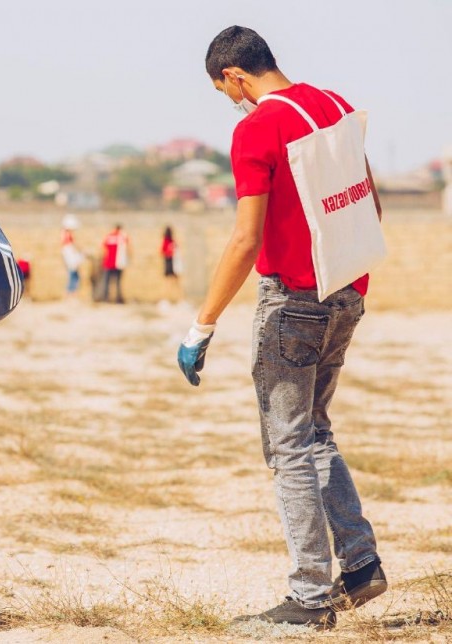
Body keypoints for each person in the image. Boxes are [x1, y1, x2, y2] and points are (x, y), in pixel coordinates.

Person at [177, 26, 385, 630]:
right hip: (346, 292)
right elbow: (370, 203)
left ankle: (310, 597)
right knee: (315, 430)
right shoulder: (337, 106)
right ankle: (360, 561)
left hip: (292, 302)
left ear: (235, 76)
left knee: (289, 444)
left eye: (227, 91)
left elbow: (245, 237)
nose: (233, 101)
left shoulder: (257, 128)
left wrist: (202, 325)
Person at [101, 224, 130, 303]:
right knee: (116, 282)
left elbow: (103, 248)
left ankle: (107, 298)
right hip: (117, 263)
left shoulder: (109, 236)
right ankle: (116, 298)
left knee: (109, 282)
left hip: (112, 263)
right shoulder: (122, 237)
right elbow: (128, 248)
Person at [60, 214, 84, 298]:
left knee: (73, 274)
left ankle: (71, 292)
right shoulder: (67, 235)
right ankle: (71, 292)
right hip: (70, 255)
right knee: (72, 274)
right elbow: (73, 246)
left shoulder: (64, 234)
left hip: (69, 255)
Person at [160, 226, 182, 302]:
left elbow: (162, 252)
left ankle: (173, 299)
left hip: (170, 262)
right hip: (171, 262)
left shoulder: (167, 241)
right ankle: (172, 299)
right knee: (173, 282)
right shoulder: (168, 241)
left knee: (170, 282)